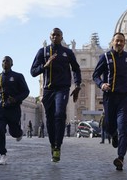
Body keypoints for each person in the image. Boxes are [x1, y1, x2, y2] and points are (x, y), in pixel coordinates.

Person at [30, 27, 81, 163]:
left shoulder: (67, 52)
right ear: (50, 36)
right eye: (53, 35)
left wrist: (78, 85)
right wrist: (45, 66)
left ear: (61, 37)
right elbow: (33, 72)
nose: (55, 37)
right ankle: (53, 145)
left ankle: (58, 145)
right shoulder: (43, 52)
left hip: (63, 89)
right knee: (50, 119)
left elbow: (76, 69)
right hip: (48, 90)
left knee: (59, 115)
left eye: (58, 35)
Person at [92, 32, 127, 171]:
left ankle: (121, 158)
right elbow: (95, 75)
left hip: (124, 97)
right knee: (108, 126)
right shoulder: (105, 57)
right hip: (110, 96)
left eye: (122, 41)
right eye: (117, 41)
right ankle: (113, 135)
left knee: (123, 127)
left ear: (125, 43)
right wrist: (101, 84)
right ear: (113, 41)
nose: (119, 43)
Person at [0, 56, 30, 165]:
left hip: (13, 109)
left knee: (14, 133)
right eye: (3, 61)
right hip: (1, 109)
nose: (5, 62)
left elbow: (26, 91)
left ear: (12, 64)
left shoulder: (18, 76)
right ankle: (3, 154)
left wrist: (15, 99)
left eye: (7, 61)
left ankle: (19, 133)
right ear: (1, 64)